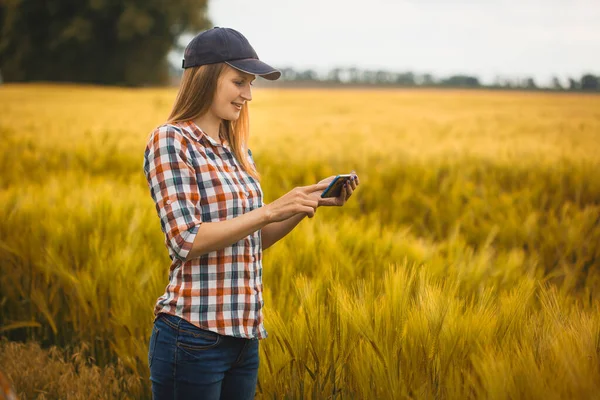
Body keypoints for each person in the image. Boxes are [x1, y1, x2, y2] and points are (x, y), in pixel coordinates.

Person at [143, 27, 360, 400]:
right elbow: (185, 240)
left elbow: (250, 242)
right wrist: (269, 210)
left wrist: (305, 203)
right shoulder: (170, 140)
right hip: (193, 335)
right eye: (239, 82)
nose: (248, 94)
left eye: (251, 84)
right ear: (206, 78)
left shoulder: (237, 150)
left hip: (244, 338)